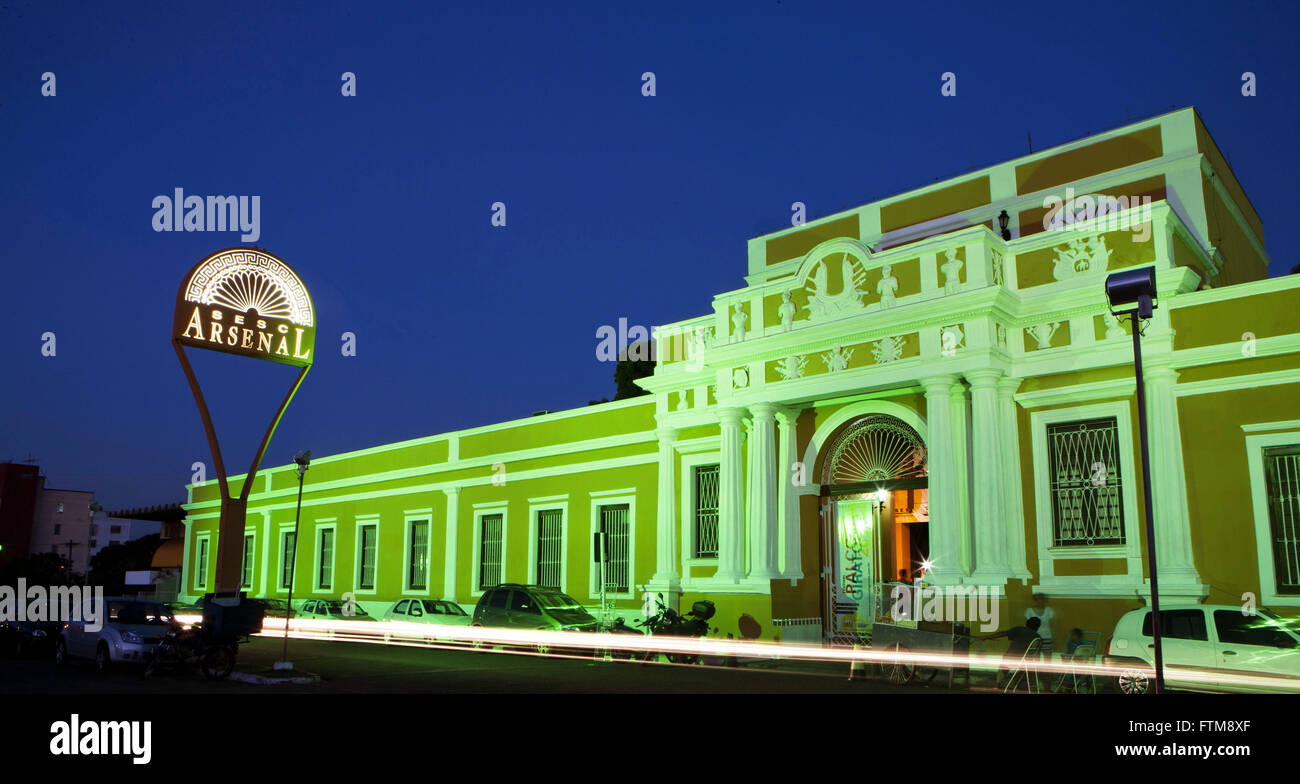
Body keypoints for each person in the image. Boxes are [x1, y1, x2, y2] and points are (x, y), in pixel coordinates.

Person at [980, 616, 1042, 689]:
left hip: (1010, 659)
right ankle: (1013, 685)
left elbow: (1003, 633)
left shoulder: (1019, 629)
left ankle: (997, 685)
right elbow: (1037, 654)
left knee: (1004, 664)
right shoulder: (1038, 637)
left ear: (1026, 624)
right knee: (1021, 671)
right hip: (1024, 663)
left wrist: (987, 637)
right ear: (1038, 627)